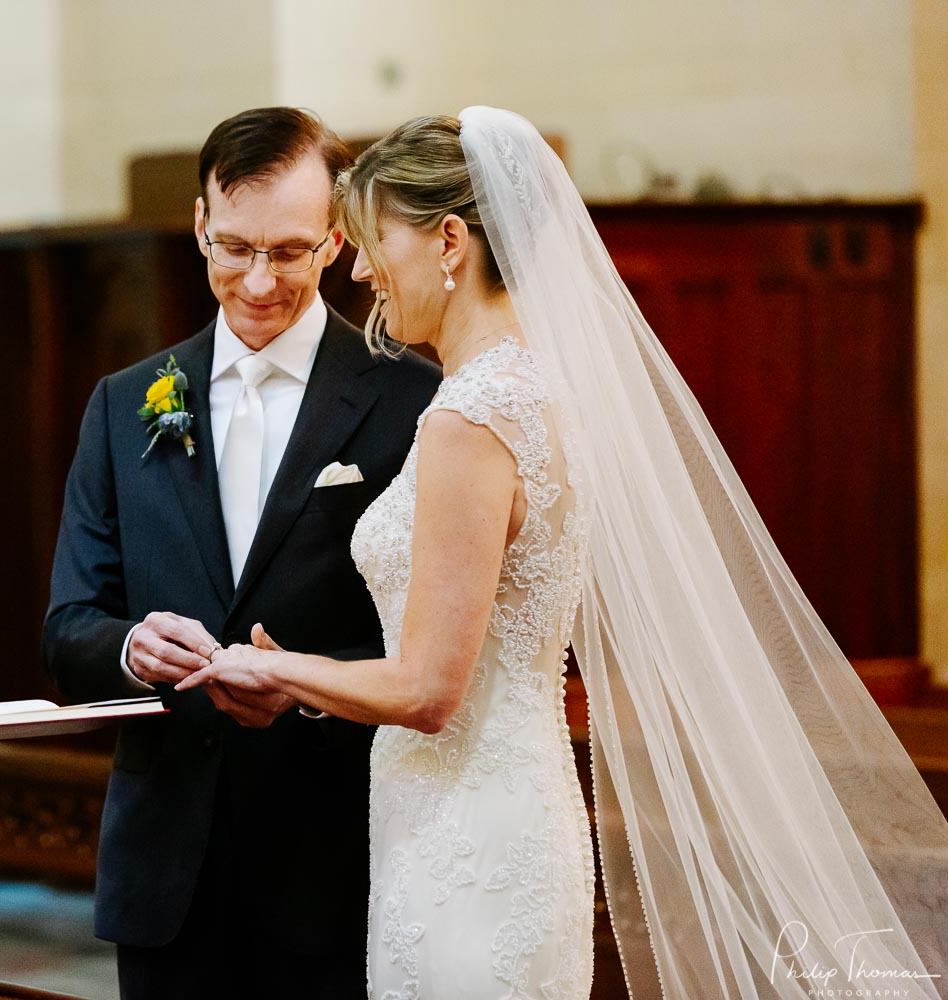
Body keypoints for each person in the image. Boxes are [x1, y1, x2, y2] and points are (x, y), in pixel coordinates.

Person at [179, 109, 948, 998]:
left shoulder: (469, 419)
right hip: (502, 809)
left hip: (465, 839)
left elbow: (430, 690)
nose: (359, 268)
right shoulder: (539, 390)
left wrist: (275, 672)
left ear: (450, 241)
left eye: (372, 239)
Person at [42, 107, 442, 999]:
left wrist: (299, 687)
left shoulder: (412, 400)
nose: (259, 281)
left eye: (290, 251)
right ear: (199, 226)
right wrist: (129, 648)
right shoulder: (125, 404)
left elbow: (434, 646)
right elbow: (68, 626)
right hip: (165, 874)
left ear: (336, 241)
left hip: (332, 860)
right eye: (234, 247)